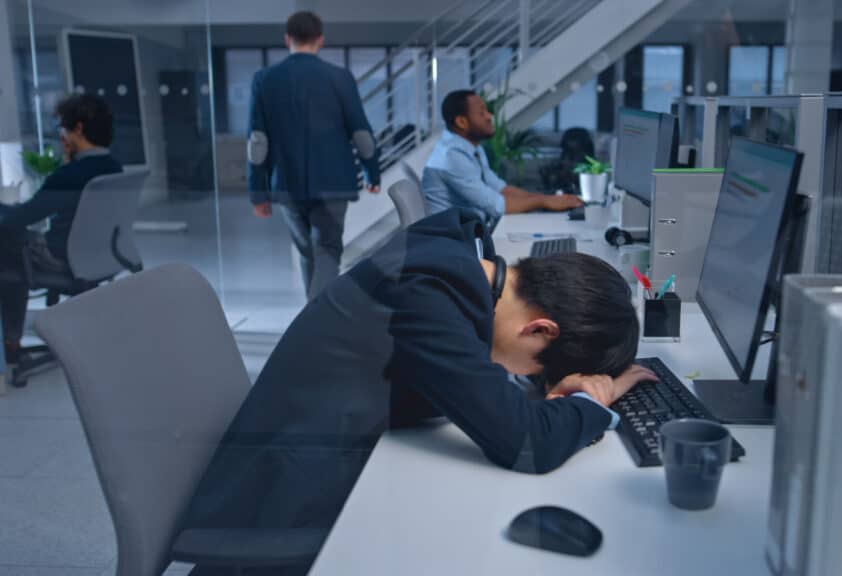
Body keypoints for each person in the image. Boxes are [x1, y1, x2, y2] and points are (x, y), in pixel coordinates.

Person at [181, 208, 653, 574]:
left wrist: (548, 391)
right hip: (286, 504)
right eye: (535, 372)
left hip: (317, 453)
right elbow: (525, 443)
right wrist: (592, 403)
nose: (527, 379)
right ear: (541, 329)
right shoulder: (429, 297)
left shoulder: (460, 262)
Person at [248, 10, 381, 300]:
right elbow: (361, 133)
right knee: (328, 249)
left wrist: (258, 191)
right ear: (320, 39)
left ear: (287, 39)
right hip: (334, 183)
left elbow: (257, 141)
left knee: (307, 251)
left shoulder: (265, 79)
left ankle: (312, 317)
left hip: (287, 184)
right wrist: (373, 172)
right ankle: (319, 320)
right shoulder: (340, 78)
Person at [0, 94, 122, 364]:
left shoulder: (71, 176)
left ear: (77, 129)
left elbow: (20, 217)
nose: (60, 136)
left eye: (61, 129)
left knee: (7, 248)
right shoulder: (113, 167)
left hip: (60, 258)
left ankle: (9, 343)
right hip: (98, 255)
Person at [423, 90, 583, 229]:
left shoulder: (471, 147)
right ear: (461, 122)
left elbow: (501, 189)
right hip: (455, 238)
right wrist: (543, 201)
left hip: (471, 229)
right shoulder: (451, 156)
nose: (489, 116)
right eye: (481, 112)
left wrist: (549, 200)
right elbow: (496, 205)